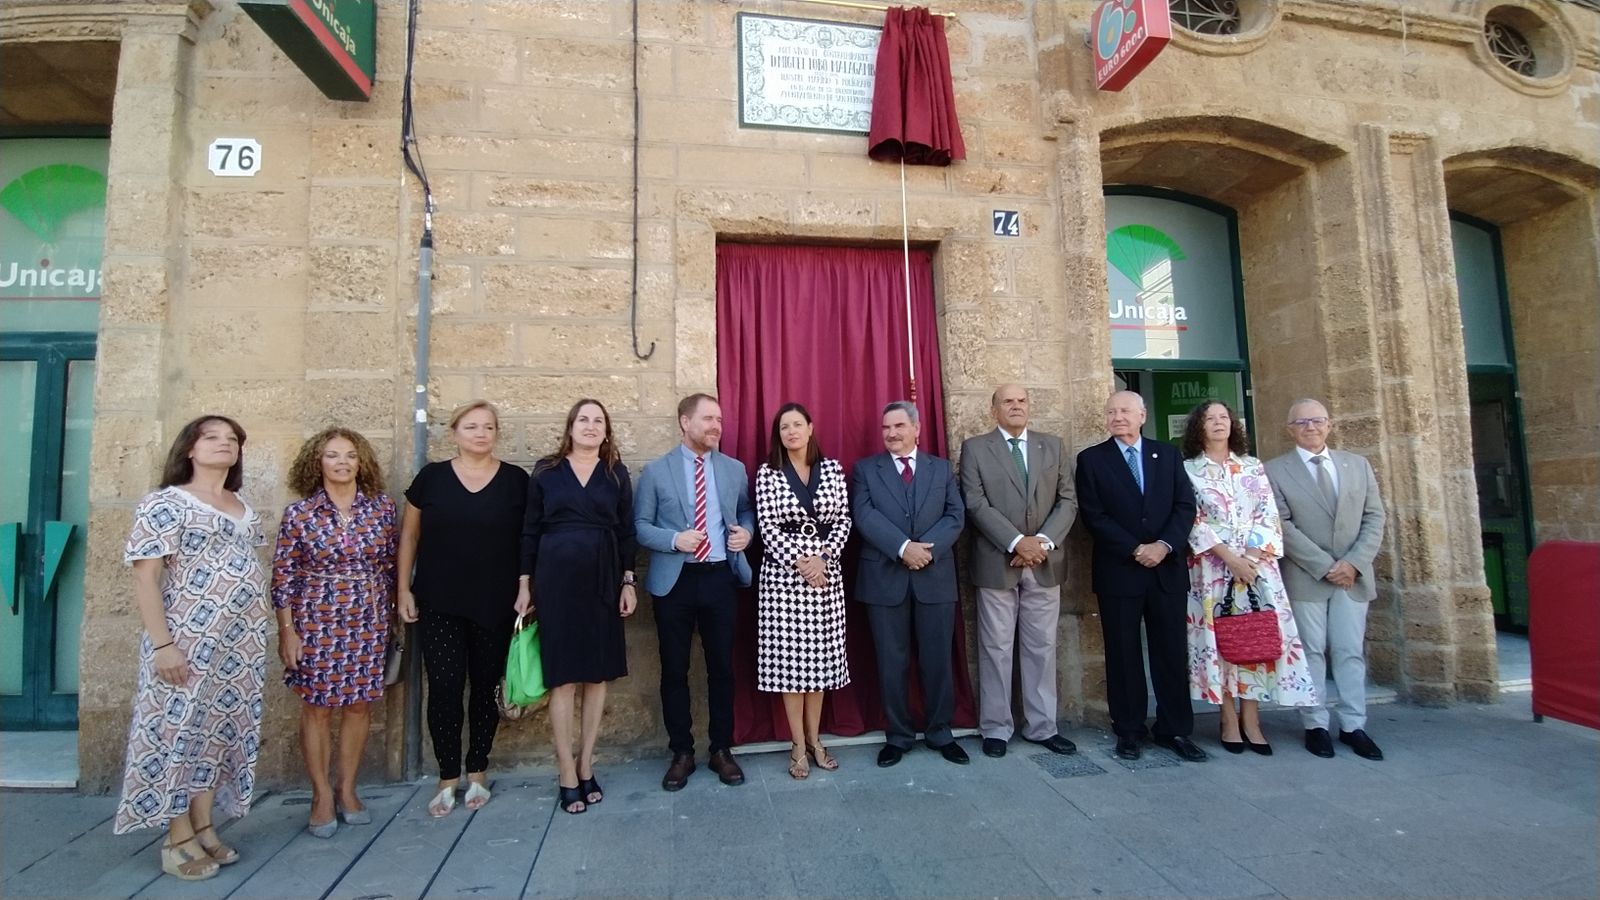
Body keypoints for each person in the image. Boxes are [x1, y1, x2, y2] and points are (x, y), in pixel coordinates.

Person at [118, 415, 268, 882]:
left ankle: (204, 825)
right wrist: (163, 645)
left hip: (239, 645)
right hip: (187, 638)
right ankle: (176, 837)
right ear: (190, 449)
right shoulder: (165, 504)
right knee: (178, 734)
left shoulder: (240, 503)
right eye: (212, 438)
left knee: (216, 733)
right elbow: (146, 576)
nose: (224, 445)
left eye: (232, 440)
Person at [398, 400, 529, 816]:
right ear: (454, 432)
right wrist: (403, 589)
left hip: (496, 600)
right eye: (471, 426)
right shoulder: (431, 479)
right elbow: (410, 538)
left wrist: (528, 586)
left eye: (488, 426)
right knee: (445, 688)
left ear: (496, 433)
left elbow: (529, 540)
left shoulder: (515, 481)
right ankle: (447, 776)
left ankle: (478, 770)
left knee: (487, 688)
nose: (480, 433)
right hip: (439, 600)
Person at [271, 427, 398, 837]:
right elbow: (283, 577)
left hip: (368, 618)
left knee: (360, 705)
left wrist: (393, 617)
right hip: (316, 620)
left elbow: (392, 566)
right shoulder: (300, 514)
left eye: (349, 455)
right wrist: (286, 631)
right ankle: (320, 794)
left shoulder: (381, 509)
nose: (342, 462)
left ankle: (347, 789)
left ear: (362, 462)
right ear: (317, 462)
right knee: (318, 707)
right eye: (332, 455)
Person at [517, 399, 638, 814]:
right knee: (563, 678)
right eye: (583, 420)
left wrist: (628, 582)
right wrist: (524, 584)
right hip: (556, 580)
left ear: (606, 431)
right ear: (570, 428)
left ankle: (587, 762)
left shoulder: (615, 474)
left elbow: (625, 533)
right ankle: (566, 770)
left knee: (597, 676)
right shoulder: (547, 471)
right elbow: (530, 529)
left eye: (598, 421)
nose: (590, 426)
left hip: (604, 579)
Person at [1075, 391, 1206, 762]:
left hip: (1166, 570)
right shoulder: (1091, 460)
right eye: (1112, 411)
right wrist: (1135, 549)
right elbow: (1094, 515)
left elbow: (1185, 505)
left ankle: (1175, 729)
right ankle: (1129, 729)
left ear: (1142, 415)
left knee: (1170, 652)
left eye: (1126, 411)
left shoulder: (1166, 454)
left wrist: (1164, 545)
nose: (1118, 417)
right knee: (1123, 654)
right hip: (1120, 570)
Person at [1180, 402, 1317, 756]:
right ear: (1198, 427)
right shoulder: (1189, 470)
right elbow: (1192, 520)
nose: (1218, 423)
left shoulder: (1253, 467)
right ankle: (1227, 718)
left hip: (1256, 570)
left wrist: (1251, 559)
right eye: (1210, 419)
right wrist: (1229, 558)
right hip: (1213, 569)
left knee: (1256, 639)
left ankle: (1252, 718)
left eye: (1223, 418)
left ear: (1233, 424)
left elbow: (1268, 514)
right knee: (1223, 643)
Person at [634, 393, 756, 791]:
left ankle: (721, 749)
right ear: (685, 422)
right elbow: (640, 526)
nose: (716, 426)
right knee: (674, 669)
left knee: (722, 667)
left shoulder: (735, 469)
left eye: (719, 419)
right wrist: (673, 540)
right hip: (676, 581)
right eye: (707, 419)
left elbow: (744, 511)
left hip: (720, 578)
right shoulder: (656, 472)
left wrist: (746, 532)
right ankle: (681, 752)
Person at [960, 384, 1079, 760]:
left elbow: (1068, 500)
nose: (1015, 406)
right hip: (998, 562)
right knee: (995, 649)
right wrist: (1016, 542)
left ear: (1029, 407)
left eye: (1021, 401)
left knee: (1041, 648)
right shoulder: (976, 448)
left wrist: (1040, 543)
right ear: (993, 409)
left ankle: (1043, 726)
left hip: (1044, 563)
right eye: (1007, 401)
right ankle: (996, 727)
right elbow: (975, 503)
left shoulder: (1052, 445)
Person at [1265, 399, 1388, 761]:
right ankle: (1315, 724)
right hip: (1307, 576)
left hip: (1352, 576)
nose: (1310, 427)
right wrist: (1324, 564)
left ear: (1329, 425)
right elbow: (1281, 524)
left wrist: (1352, 563)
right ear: (1290, 429)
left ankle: (1354, 725)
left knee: (1350, 652)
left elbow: (1374, 516)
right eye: (1301, 422)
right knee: (1311, 651)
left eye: (1317, 421)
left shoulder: (1357, 465)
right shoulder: (1275, 470)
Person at [852, 400, 969, 768]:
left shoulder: (941, 468)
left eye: (899, 426)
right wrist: (903, 548)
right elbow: (863, 515)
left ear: (917, 429)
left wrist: (925, 552)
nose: (892, 433)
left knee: (937, 660)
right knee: (891, 662)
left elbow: (955, 515)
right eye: (886, 427)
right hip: (884, 579)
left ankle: (940, 732)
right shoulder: (865, 470)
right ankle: (898, 736)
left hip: (934, 578)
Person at [754, 403, 853, 779]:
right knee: (790, 668)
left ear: (811, 428)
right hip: (784, 580)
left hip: (826, 576)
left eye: (797, 424)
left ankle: (816, 739)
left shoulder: (832, 469)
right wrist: (802, 562)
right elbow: (768, 527)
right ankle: (796, 744)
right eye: (784, 427)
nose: (791, 431)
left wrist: (823, 559)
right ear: (778, 435)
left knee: (820, 664)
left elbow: (843, 518)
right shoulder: (768, 473)